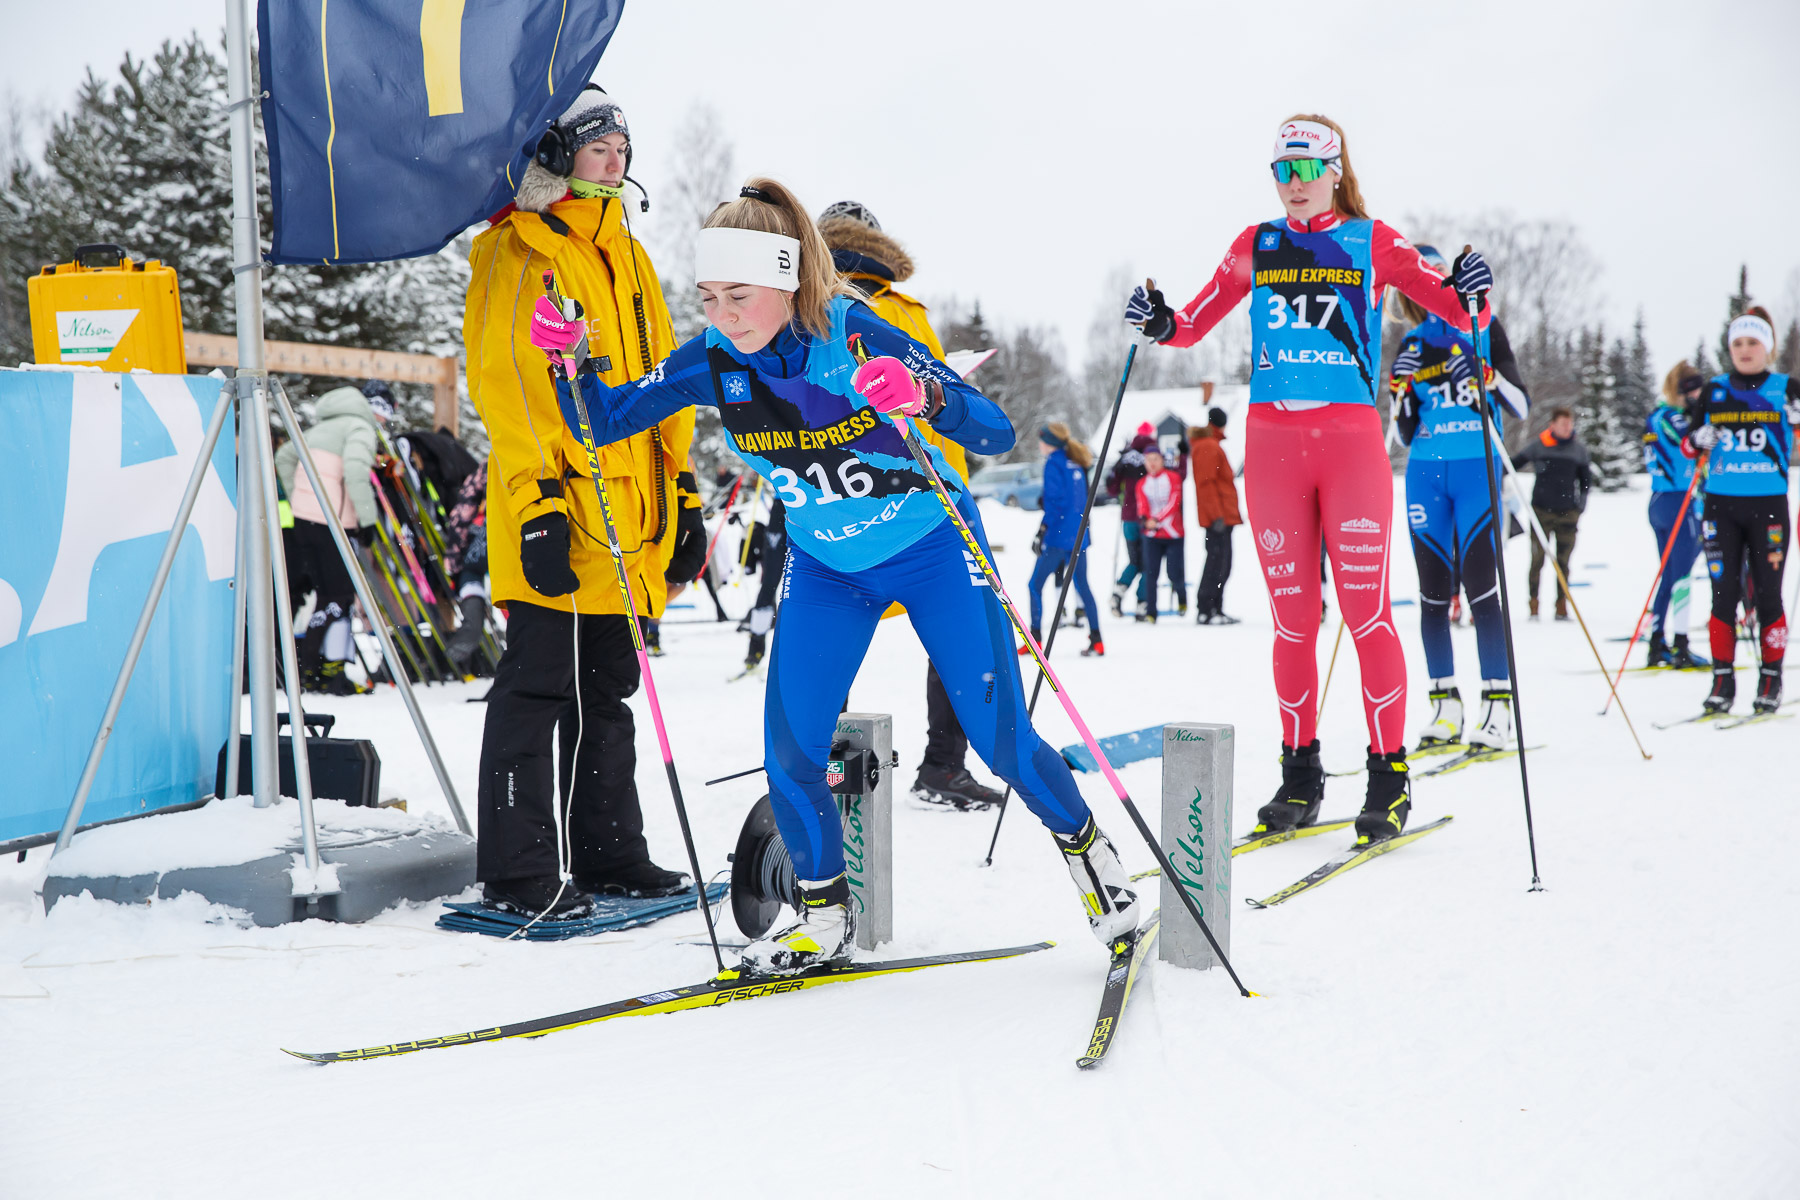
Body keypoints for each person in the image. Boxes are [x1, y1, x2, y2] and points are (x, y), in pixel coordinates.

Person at [530, 177, 1142, 974]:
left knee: (1000, 739)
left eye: (740, 296)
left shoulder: (855, 336)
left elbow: (993, 429)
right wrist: (569, 360)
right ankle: (822, 915)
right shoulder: (715, 359)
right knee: (791, 749)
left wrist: (923, 393)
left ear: (788, 280)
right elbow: (601, 422)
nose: (722, 317)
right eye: (709, 297)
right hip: (827, 568)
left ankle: (1099, 869)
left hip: (931, 549)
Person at [1125, 113, 1493, 844]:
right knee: (1293, 621)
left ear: (1334, 169)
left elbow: (1459, 308)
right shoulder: (1255, 244)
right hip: (1272, 446)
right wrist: (1161, 320)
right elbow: (1195, 320)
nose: (1291, 184)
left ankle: (1388, 777)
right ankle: (1301, 773)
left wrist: (1475, 287)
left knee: (1367, 616)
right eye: (1280, 171)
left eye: (1304, 169)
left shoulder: (1373, 240)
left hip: (1350, 441)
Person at [462, 86, 698, 918]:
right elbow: (507, 390)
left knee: (608, 691)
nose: (616, 155)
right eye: (598, 143)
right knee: (537, 691)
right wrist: (536, 507)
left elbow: (666, 377)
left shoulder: (624, 253)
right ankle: (520, 870)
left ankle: (607, 854)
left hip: (629, 515)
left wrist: (686, 489)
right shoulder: (516, 250)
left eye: (622, 143)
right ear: (555, 152)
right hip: (559, 507)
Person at [819, 200, 1003, 810]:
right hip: (923, 492)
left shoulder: (802, 307)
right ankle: (944, 765)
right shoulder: (901, 310)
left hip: (834, 490)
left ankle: (822, 758)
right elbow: (941, 402)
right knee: (957, 629)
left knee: (831, 625)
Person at [1389, 245, 1532, 750]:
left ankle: (1499, 708)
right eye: (1414, 283)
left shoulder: (1483, 327)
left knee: (1481, 587)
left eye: (1433, 279)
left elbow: (1519, 404)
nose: (1425, 291)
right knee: (1432, 593)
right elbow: (1405, 433)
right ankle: (1444, 706)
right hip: (1425, 473)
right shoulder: (1412, 341)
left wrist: (1484, 375)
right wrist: (1399, 391)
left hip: (1476, 467)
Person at [1684, 306, 1800, 714]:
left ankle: (1771, 679)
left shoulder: (1786, 388)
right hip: (1721, 507)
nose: (1746, 350)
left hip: (1768, 506)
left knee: (1768, 595)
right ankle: (1722, 680)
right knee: (1723, 595)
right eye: (1738, 343)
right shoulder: (1715, 389)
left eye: (1753, 343)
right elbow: (1687, 444)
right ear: (1729, 348)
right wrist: (1700, 437)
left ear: (1767, 347)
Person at [275, 384, 386, 696]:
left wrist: (301, 498)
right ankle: (317, 670)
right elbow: (354, 470)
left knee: (323, 594)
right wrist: (367, 520)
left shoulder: (318, 428)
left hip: (303, 522)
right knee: (338, 596)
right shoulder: (359, 427)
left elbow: (283, 457)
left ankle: (311, 668)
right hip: (332, 524)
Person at [1642, 364, 1707, 669]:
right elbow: (1692, 440)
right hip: (1677, 499)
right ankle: (1680, 644)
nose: (1699, 395)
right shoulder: (1671, 415)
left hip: (1661, 499)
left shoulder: (1656, 415)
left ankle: (1658, 642)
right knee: (1680, 575)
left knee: (1670, 573)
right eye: (1694, 390)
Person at [1024, 422, 1104, 656]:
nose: (1040, 445)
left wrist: (1042, 530)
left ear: (1049, 442)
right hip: (1079, 535)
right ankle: (1097, 639)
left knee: (1035, 585)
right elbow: (1080, 499)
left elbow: (1055, 502)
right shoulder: (1076, 462)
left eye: (1042, 440)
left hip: (1058, 536)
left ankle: (1035, 639)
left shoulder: (1053, 464)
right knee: (1083, 586)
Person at [1511, 407, 1591, 621]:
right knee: (1537, 560)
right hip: (1540, 512)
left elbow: (1585, 481)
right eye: (1563, 424)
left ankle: (1561, 605)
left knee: (1563, 562)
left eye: (1570, 424)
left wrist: (1580, 505)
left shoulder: (1578, 450)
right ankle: (1534, 603)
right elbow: (1511, 465)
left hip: (1568, 513)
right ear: (1552, 425)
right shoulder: (1539, 446)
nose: (1567, 428)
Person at [1188, 406, 1242, 624]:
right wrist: (1216, 515)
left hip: (1223, 516)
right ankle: (1206, 608)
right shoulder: (1208, 446)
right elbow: (1206, 484)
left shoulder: (1211, 444)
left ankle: (1215, 608)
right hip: (1218, 518)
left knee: (1223, 563)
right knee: (1216, 563)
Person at [1105, 423, 1159, 616]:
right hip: (1148, 518)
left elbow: (1111, 486)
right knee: (1148, 562)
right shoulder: (1154, 455)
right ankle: (1142, 603)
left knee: (1135, 560)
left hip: (1128, 517)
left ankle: (1118, 592)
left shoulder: (1126, 457)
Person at [1133, 447, 1186, 620]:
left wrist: (1156, 519)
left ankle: (1182, 598)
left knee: (1174, 572)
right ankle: (1151, 611)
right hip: (1152, 535)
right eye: (1149, 460)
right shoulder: (1142, 484)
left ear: (1162, 460)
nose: (1152, 463)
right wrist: (1145, 519)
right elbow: (1142, 505)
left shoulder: (1172, 477)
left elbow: (1174, 502)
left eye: (1155, 459)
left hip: (1173, 534)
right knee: (1150, 573)